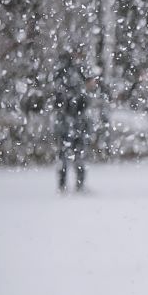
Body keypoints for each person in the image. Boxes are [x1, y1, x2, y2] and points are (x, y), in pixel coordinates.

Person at [53, 51, 94, 193]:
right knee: (78, 154)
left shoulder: (61, 75)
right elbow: (83, 100)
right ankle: (78, 184)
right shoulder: (77, 74)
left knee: (65, 155)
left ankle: (64, 184)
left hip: (66, 122)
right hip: (75, 122)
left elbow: (58, 100)